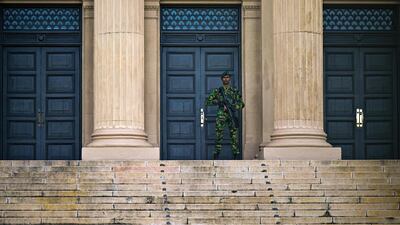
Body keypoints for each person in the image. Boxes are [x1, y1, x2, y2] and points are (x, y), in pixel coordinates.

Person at [205, 71, 245, 159]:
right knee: (219, 135)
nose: (226, 79)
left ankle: (235, 154)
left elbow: (241, 104)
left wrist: (233, 107)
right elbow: (208, 101)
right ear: (221, 79)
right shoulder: (218, 91)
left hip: (231, 115)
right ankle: (216, 154)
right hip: (221, 116)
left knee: (234, 136)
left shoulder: (234, 91)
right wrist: (219, 103)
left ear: (229, 79)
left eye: (227, 77)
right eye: (224, 77)